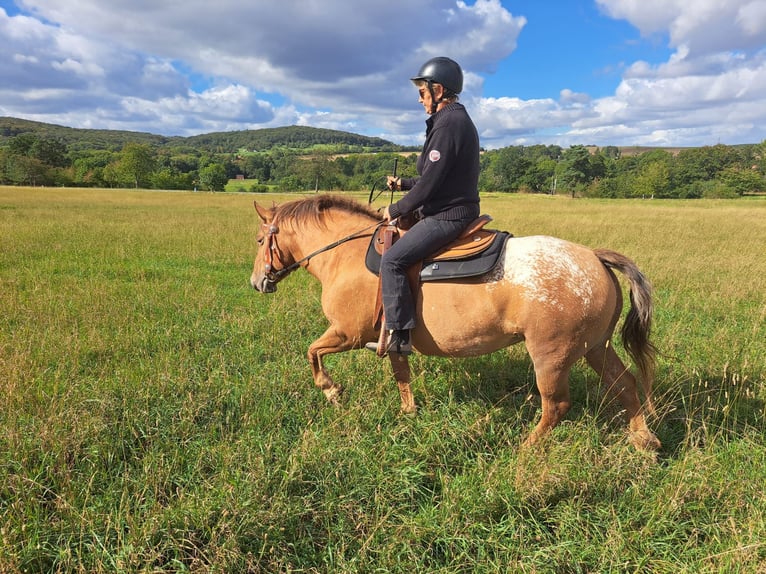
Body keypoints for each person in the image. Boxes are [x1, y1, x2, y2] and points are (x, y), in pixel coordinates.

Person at [366, 56, 481, 356]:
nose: (419, 99)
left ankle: (399, 336)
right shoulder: (449, 120)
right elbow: (435, 178)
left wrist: (394, 209)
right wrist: (403, 184)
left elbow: (431, 186)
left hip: (448, 215)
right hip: (447, 206)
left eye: (422, 92)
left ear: (438, 90)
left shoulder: (449, 124)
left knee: (392, 261)